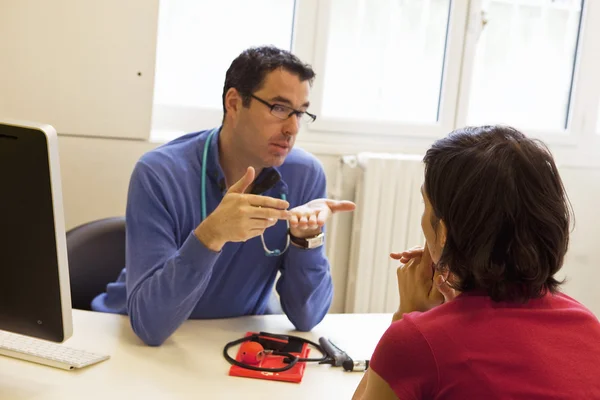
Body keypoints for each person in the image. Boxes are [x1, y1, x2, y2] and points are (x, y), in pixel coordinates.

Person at [91, 46, 355, 346]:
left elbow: (307, 318)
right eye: (279, 108)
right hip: (130, 338)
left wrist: (307, 240)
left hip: (229, 344)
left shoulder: (304, 175)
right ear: (233, 103)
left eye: (300, 112)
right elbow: (150, 325)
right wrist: (211, 235)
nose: (292, 128)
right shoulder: (158, 173)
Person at [353, 125, 600, 399]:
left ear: (444, 233)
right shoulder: (588, 326)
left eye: (426, 205)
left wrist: (405, 317)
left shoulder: (414, 344)